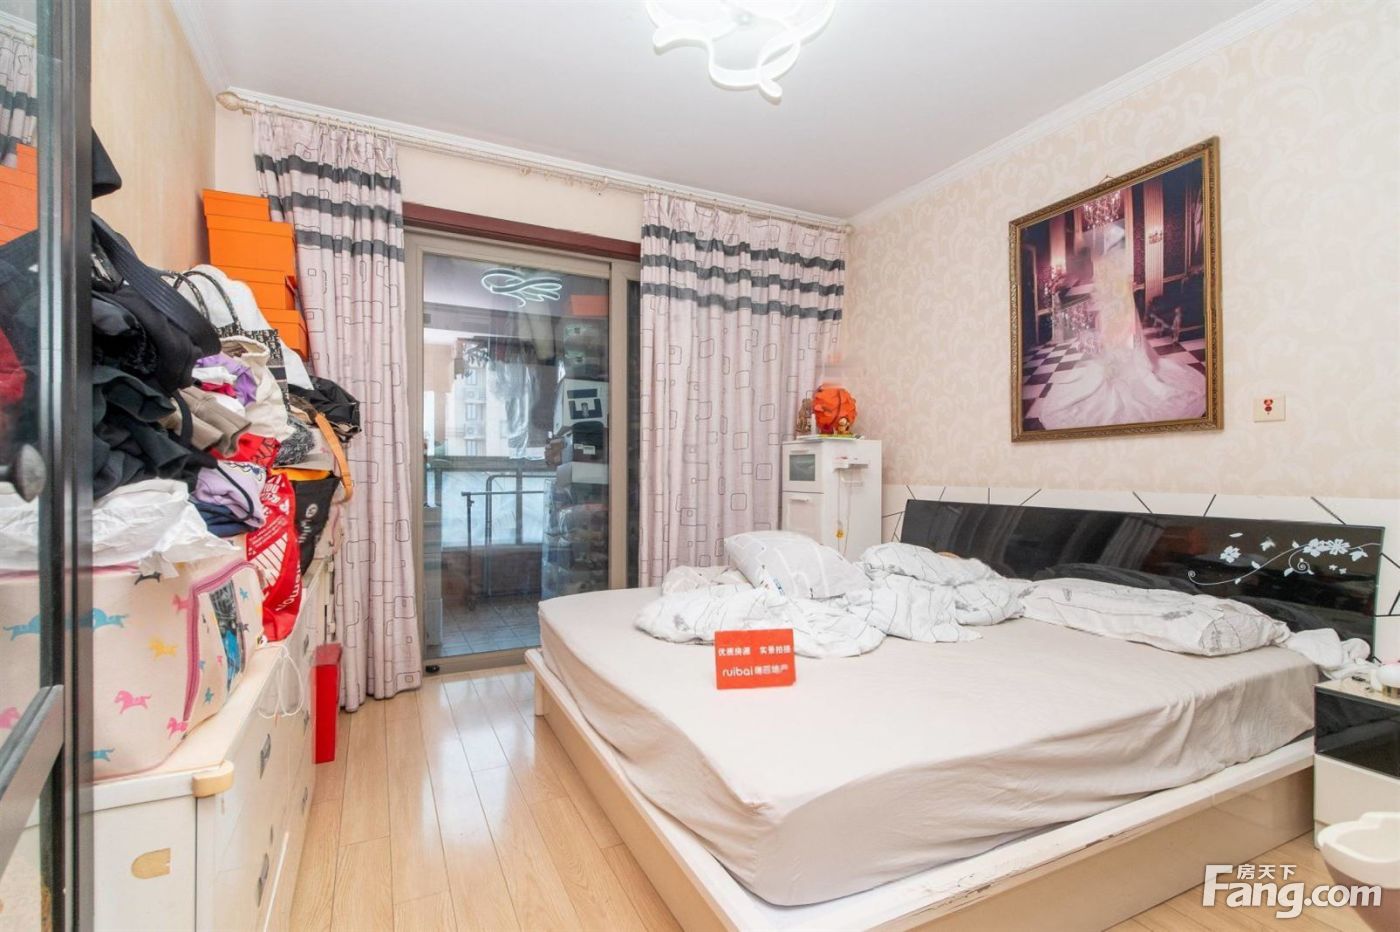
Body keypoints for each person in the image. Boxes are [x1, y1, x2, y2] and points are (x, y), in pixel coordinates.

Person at [1038, 225, 1205, 430]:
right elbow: (1103, 295)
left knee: (1124, 350)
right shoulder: (1107, 270)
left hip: (1119, 314)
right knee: (1115, 351)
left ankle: (1121, 368)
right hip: (1114, 314)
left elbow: (1113, 297)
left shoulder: (1110, 271)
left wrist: (1114, 317)